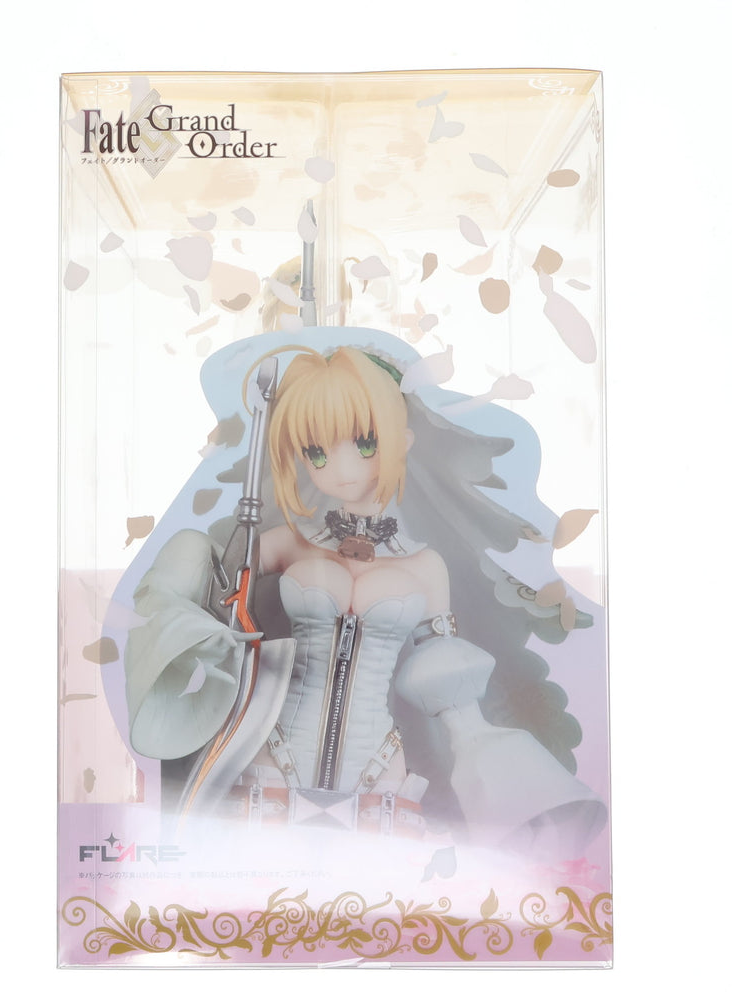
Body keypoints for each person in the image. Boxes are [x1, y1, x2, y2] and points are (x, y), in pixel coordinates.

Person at [115, 327, 606, 859]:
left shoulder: (425, 566)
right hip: (271, 754)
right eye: (316, 451)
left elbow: (451, 688)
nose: (343, 468)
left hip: (379, 768)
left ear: (402, 440)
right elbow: (218, 601)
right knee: (257, 882)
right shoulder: (285, 544)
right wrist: (202, 613)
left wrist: (499, 777)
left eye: (365, 442)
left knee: (375, 890)